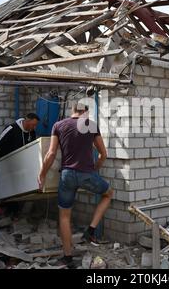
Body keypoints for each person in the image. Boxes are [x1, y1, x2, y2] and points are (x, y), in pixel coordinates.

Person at [38, 102, 113, 268]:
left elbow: (50, 154)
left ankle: (67, 257)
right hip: (87, 175)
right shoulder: (91, 125)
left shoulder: (58, 125)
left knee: (65, 216)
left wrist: (42, 175)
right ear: (85, 112)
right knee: (108, 194)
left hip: (67, 176)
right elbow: (103, 154)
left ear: (72, 111)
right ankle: (91, 230)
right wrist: (94, 170)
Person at [0, 113, 40, 217]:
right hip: (7, 163)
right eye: (33, 124)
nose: (34, 127)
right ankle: (7, 211)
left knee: (18, 189)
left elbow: (32, 148)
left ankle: (13, 212)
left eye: (35, 125)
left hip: (21, 166)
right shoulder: (12, 129)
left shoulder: (32, 133)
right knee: (9, 189)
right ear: (26, 121)